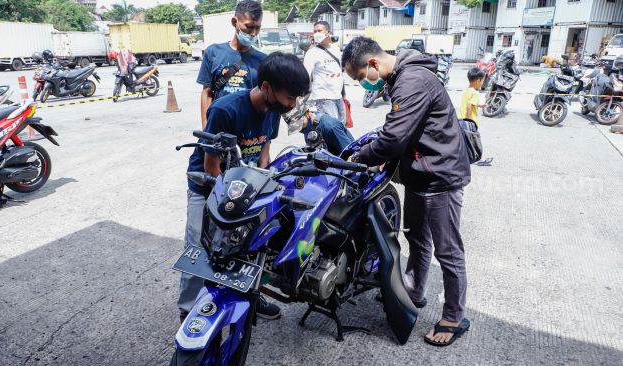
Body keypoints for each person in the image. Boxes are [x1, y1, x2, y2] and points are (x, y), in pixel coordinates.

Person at [341, 37, 472, 347]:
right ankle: (415, 291)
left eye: (360, 77)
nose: (363, 84)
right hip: (420, 173)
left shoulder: (412, 80)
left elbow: (393, 137)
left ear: (372, 64)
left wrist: (360, 159)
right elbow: (394, 128)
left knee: (448, 250)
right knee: (417, 238)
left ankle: (454, 317)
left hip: (440, 175)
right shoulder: (401, 77)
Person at [179, 52, 310, 321]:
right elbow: (211, 167)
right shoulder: (225, 110)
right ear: (266, 88)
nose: (292, 104)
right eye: (289, 98)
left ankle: (249, 294)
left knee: (252, 245)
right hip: (208, 185)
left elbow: (264, 150)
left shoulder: (274, 111)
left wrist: (268, 179)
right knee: (199, 251)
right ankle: (189, 311)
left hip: (243, 185)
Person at [196, 0, 266, 129]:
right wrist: (206, 130)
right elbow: (207, 93)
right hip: (218, 126)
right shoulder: (213, 52)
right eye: (249, 27)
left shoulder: (263, 60)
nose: (254, 33)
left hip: (249, 129)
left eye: (258, 27)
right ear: (235, 22)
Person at [303, 21, 346, 122]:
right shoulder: (312, 53)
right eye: (315, 31)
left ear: (328, 32)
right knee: (332, 130)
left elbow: (339, 72)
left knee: (341, 126)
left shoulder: (335, 49)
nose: (316, 33)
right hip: (323, 98)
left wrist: (343, 94)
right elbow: (304, 76)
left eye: (319, 30)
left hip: (338, 97)